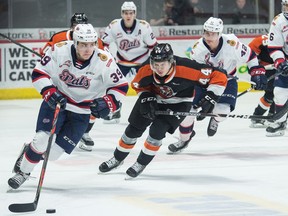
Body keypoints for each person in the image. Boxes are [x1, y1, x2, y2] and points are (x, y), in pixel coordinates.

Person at [8, 23, 128, 189]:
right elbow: (39, 73)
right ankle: (23, 172)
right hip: (57, 102)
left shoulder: (104, 60)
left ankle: (30, 151)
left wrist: (108, 102)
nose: (88, 49)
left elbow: (120, 86)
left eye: (91, 44)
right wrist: (49, 91)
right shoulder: (59, 50)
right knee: (42, 140)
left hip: (82, 112)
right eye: (83, 44)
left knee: (54, 154)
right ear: (75, 42)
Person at [98, 43, 228, 178]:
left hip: (179, 103)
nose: (158, 68)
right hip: (153, 98)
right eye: (156, 64)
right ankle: (117, 158)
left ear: (171, 62)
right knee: (133, 129)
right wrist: (146, 97)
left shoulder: (187, 68)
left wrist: (212, 96)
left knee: (156, 132)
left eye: (162, 64)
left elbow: (219, 75)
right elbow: (137, 85)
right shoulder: (146, 68)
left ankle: (141, 163)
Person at [168, 17, 267, 153]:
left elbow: (250, 56)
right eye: (206, 33)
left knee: (222, 112)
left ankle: (215, 118)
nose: (209, 37)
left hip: (228, 80)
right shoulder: (198, 49)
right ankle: (184, 140)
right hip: (204, 82)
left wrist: (257, 72)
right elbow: (195, 73)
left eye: (213, 33)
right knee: (187, 113)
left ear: (219, 34)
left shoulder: (232, 43)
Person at [41, 13, 105, 152]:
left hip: (86, 82)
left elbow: (104, 61)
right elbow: (44, 53)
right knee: (46, 134)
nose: (78, 28)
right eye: (76, 25)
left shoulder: (95, 40)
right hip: (65, 81)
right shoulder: (59, 38)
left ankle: (84, 132)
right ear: (71, 26)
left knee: (92, 107)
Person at [101, 1, 157, 124]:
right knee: (113, 86)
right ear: (122, 13)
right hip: (122, 61)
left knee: (149, 88)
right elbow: (103, 44)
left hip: (142, 62)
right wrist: (108, 57)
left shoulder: (144, 26)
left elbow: (153, 46)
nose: (128, 15)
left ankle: (151, 111)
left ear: (135, 14)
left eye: (131, 13)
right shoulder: (114, 26)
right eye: (126, 13)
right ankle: (115, 111)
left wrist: (152, 63)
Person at [266, 0, 288, 136]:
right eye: (285, 5)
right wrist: (281, 62)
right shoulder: (278, 21)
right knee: (280, 92)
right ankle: (280, 122)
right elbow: (275, 47)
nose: (286, 8)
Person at [248, 34, 276, 128]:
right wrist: (257, 69)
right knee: (275, 93)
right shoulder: (261, 41)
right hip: (264, 70)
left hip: (280, 69)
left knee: (272, 95)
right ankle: (272, 117)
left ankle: (258, 117)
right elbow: (250, 57)